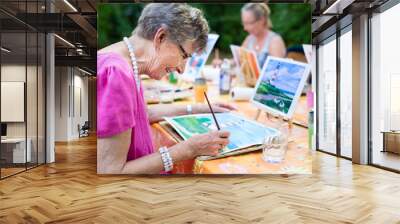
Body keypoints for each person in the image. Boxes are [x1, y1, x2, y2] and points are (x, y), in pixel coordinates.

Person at [97, 3, 235, 174]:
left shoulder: (123, 63)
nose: (182, 69)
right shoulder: (117, 73)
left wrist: (197, 109)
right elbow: (110, 172)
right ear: (161, 37)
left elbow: (141, 115)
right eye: (184, 56)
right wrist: (188, 149)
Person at [213, 3, 286, 68]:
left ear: (262, 20)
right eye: (244, 23)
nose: (245, 28)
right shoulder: (250, 39)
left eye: (249, 23)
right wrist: (223, 63)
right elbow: (237, 60)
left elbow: (277, 71)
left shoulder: (274, 41)